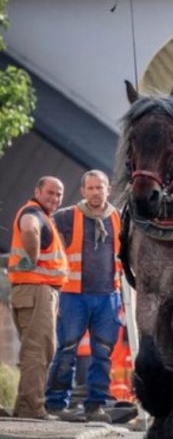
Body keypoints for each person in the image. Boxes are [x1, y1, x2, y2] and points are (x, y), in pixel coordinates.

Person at [44, 170, 123, 423]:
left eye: (99, 188)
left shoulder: (119, 218)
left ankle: (95, 406)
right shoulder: (66, 217)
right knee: (66, 350)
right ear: (83, 191)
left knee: (103, 354)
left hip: (108, 297)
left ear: (108, 189)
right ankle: (56, 405)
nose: (95, 192)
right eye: (90, 188)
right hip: (73, 296)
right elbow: (45, 239)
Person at [7, 177, 68, 420]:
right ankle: (31, 408)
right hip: (36, 290)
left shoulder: (43, 215)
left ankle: (25, 405)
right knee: (37, 350)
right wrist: (32, 259)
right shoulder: (33, 212)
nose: (54, 198)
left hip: (37, 291)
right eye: (50, 193)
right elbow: (30, 228)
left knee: (40, 349)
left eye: (59, 194)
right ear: (37, 192)